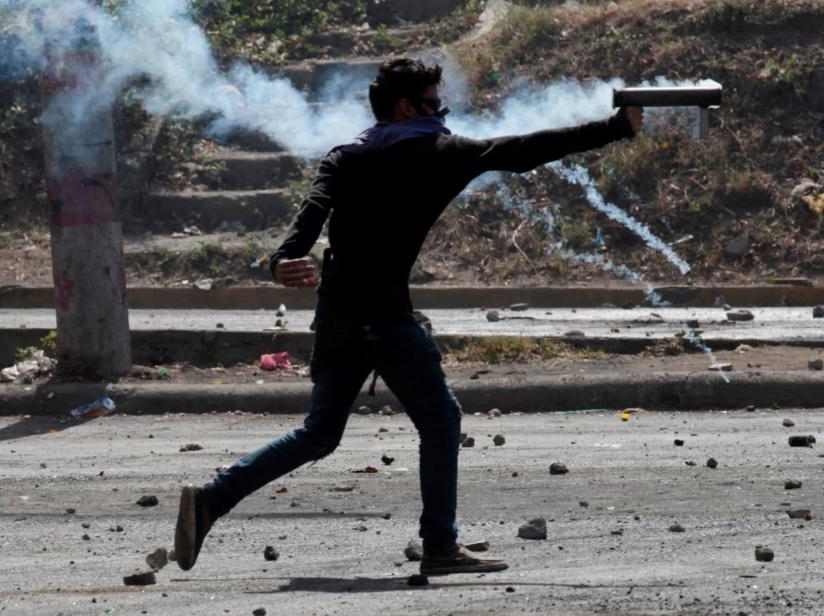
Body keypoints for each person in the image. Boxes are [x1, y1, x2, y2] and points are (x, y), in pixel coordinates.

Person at [173, 58, 643, 576]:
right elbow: (525, 150)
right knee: (441, 421)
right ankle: (440, 546)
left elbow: (312, 210)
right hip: (386, 321)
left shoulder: (347, 154)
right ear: (406, 107)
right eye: (433, 101)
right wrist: (615, 129)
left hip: (338, 317)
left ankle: (212, 500)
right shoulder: (439, 153)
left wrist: (282, 259)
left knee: (319, 434)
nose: (442, 111)